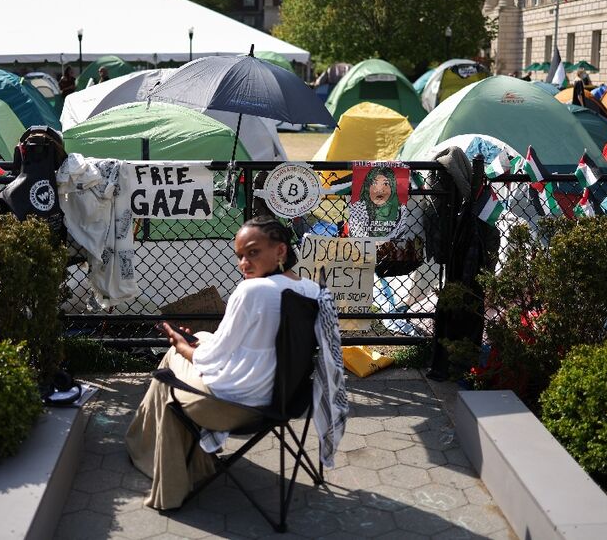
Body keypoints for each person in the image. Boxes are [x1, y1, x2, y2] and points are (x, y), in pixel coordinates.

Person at [124, 215, 323, 511]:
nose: (244, 263)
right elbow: (243, 346)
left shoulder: (252, 291)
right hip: (288, 400)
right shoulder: (313, 291)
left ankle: (161, 463)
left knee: (170, 364)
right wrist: (198, 344)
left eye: (253, 252)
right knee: (203, 335)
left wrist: (182, 346)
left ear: (280, 251)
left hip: (233, 408)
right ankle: (183, 456)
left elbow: (213, 357)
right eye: (240, 256)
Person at [348, 166, 410, 237]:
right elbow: (357, 236)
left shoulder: (401, 210)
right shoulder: (358, 209)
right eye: (374, 184)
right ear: (367, 187)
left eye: (386, 184)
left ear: (392, 187)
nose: (380, 190)